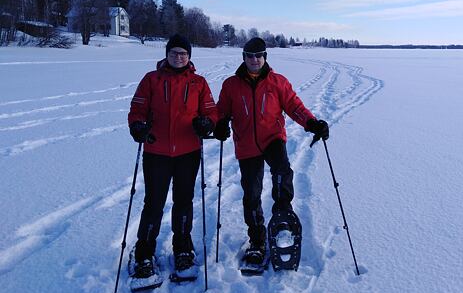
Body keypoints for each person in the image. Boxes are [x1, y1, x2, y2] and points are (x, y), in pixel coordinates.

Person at [214, 37, 329, 265]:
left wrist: (312, 123)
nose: (254, 60)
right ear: (244, 57)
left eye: (259, 55)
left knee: (282, 173)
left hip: (273, 139)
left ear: (265, 57)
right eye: (250, 55)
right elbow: (221, 111)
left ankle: (282, 219)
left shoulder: (278, 82)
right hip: (246, 144)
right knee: (252, 192)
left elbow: (294, 106)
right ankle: (256, 240)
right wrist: (219, 123)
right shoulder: (231, 85)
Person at [127, 33, 218, 280]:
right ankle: (144, 252)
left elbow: (211, 111)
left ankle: (183, 248)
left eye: (183, 54)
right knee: (154, 203)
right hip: (156, 152)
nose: (178, 57)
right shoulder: (151, 79)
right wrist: (137, 125)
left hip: (188, 153)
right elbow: (137, 109)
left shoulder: (199, 83)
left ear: (189, 57)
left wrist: (206, 123)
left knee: (183, 201)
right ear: (167, 54)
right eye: (174, 53)